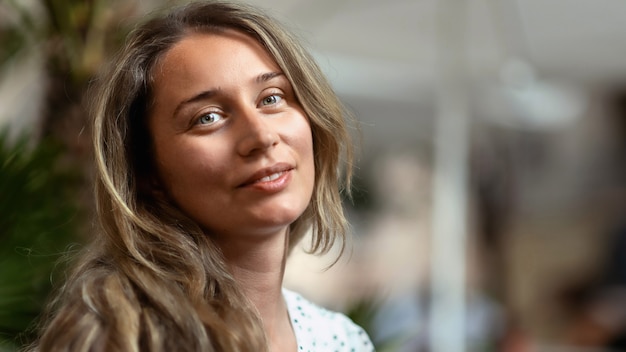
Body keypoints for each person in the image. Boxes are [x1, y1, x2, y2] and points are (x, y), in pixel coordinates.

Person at [29, 1, 374, 351]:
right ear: (147, 172)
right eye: (207, 117)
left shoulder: (342, 340)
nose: (261, 136)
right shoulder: (121, 339)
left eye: (271, 98)